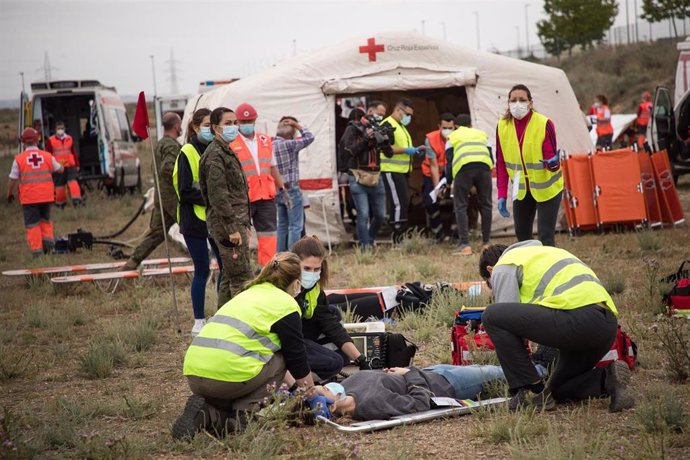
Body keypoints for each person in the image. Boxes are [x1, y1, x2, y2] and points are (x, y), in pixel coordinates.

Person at [173, 252, 330, 440]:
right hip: (227, 377)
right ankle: (243, 414)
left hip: (195, 374)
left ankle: (207, 412)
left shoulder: (248, 293)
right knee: (280, 357)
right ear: (296, 283)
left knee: (230, 389)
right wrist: (311, 396)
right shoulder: (286, 305)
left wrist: (296, 390)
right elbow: (296, 358)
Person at [478, 241, 634, 412]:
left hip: (577, 318)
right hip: (606, 325)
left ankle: (531, 391)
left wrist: (519, 367)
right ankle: (608, 377)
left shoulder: (504, 265)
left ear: (490, 269)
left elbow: (506, 318)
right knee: (556, 390)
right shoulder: (544, 253)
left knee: (492, 315)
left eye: (489, 284)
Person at [326, 363, 540, 421]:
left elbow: (379, 378)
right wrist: (409, 374)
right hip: (448, 385)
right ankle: (547, 367)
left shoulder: (348, 386)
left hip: (432, 372)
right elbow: (420, 402)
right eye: (323, 390)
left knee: (492, 366)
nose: (325, 386)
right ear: (333, 405)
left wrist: (393, 373)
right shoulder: (373, 404)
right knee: (502, 373)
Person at [173, 108, 223, 336]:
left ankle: (223, 313)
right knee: (202, 268)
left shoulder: (217, 149)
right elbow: (183, 191)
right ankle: (199, 320)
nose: (210, 129)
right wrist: (210, 196)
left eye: (212, 125)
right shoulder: (187, 152)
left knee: (225, 266)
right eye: (205, 125)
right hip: (193, 220)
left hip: (214, 219)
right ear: (194, 127)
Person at [291, 236, 370, 379]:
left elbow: (330, 324)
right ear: (295, 264)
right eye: (307, 268)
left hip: (299, 332)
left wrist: (360, 359)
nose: (312, 273)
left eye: (317, 269)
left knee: (332, 313)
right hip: (284, 340)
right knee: (333, 363)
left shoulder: (314, 289)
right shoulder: (284, 289)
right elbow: (288, 337)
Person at [495, 84, 562, 247]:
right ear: (508, 103)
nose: (517, 104)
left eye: (522, 100)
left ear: (530, 103)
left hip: (547, 188)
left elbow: (551, 161)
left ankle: (549, 270)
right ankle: (531, 269)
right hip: (522, 188)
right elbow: (501, 161)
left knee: (545, 236)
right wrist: (502, 193)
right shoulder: (502, 126)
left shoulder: (544, 123)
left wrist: (553, 163)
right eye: (513, 100)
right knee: (522, 235)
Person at [199, 107, 252, 307]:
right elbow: (218, 196)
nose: (234, 127)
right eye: (228, 123)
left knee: (230, 276)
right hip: (227, 226)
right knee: (242, 278)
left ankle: (221, 322)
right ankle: (244, 326)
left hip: (237, 223)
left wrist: (245, 225)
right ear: (215, 127)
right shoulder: (215, 156)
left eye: (235, 123)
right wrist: (232, 228)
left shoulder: (226, 151)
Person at [122, 112, 182, 270]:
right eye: (180, 124)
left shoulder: (161, 144)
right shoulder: (171, 145)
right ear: (176, 126)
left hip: (161, 197)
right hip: (173, 199)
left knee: (156, 234)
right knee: (193, 230)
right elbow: (168, 168)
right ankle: (208, 261)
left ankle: (132, 262)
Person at [230, 103, 286, 267]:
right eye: (243, 121)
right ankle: (243, 270)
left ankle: (266, 270)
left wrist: (282, 187)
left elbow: (272, 166)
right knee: (242, 237)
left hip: (266, 196)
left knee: (268, 236)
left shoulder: (265, 140)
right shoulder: (231, 143)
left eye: (249, 120)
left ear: (255, 120)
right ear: (237, 122)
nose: (246, 124)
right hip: (243, 198)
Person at [339, 101, 390, 249]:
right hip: (357, 176)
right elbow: (349, 151)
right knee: (363, 214)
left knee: (380, 215)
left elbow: (388, 152)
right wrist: (366, 139)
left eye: (382, 115)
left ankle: (369, 238)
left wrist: (385, 139)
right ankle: (365, 246)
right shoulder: (352, 130)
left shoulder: (377, 128)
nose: (378, 117)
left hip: (375, 176)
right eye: (378, 114)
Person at [7, 128, 64, 256]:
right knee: (45, 221)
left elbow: (12, 179)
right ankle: (49, 248)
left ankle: (37, 252)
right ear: (37, 140)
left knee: (33, 225)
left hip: (29, 198)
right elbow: (60, 169)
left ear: (23, 142)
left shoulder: (19, 159)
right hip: (46, 196)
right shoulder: (47, 156)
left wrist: (9, 193)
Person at [445, 114, 493, 256]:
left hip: (463, 168)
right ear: (471, 125)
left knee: (460, 206)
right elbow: (491, 157)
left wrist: (448, 182)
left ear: (456, 126)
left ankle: (465, 245)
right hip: (484, 168)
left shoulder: (452, 137)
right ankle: (486, 243)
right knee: (486, 204)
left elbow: (449, 163)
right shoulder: (482, 135)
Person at [380, 98, 425, 242]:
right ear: (399, 110)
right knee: (399, 203)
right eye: (407, 114)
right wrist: (407, 150)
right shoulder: (387, 125)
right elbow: (387, 149)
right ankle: (398, 234)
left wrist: (415, 150)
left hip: (402, 171)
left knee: (403, 202)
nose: (409, 118)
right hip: (390, 170)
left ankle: (402, 234)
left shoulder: (400, 126)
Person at [273, 116, 315, 252]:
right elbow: (309, 137)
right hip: (291, 188)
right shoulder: (290, 144)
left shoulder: (269, 144)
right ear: (291, 134)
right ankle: (293, 256)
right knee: (295, 226)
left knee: (282, 225)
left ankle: (280, 255)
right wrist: (297, 125)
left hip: (277, 189)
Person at [422, 113, 456, 241]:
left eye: (450, 128)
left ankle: (455, 232)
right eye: (445, 127)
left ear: (455, 127)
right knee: (430, 201)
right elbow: (433, 166)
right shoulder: (430, 139)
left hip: (451, 172)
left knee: (459, 199)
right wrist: (438, 189)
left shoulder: (458, 138)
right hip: (432, 173)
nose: (447, 131)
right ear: (439, 126)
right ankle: (438, 233)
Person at [45, 121, 82, 208]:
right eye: (58, 128)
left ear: (65, 129)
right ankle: (60, 204)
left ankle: (77, 200)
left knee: (73, 182)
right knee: (59, 186)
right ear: (55, 130)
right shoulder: (51, 140)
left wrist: (77, 164)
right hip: (58, 167)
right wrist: (50, 167)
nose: (60, 130)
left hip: (70, 165)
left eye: (62, 128)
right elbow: (49, 154)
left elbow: (73, 152)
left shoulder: (69, 139)